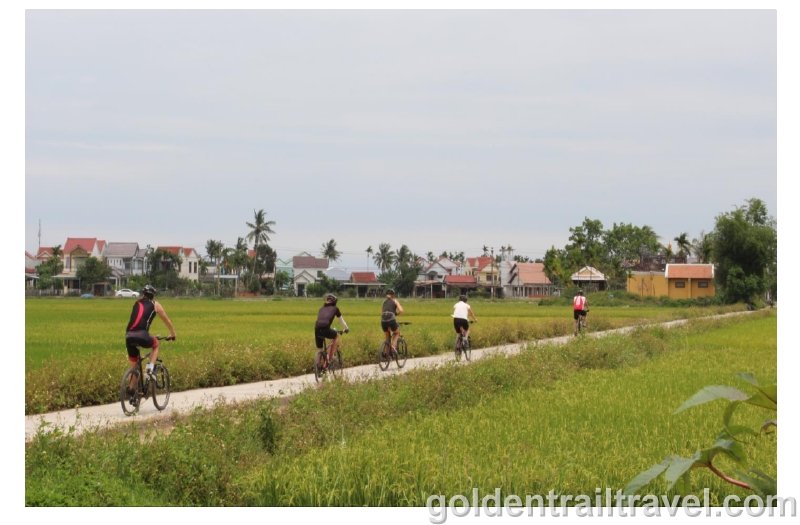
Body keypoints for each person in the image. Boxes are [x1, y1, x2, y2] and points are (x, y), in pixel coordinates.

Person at [125, 285, 176, 391]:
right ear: (153, 295)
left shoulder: (136, 303)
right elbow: (167, 321)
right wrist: (173, 334)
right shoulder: (155, 304)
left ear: (143, 294)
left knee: (134, 367)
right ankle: (150, 369)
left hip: (129, 335)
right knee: (156, 344)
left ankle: (131, 391)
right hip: (142, 335)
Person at [315, 293, 349, 367]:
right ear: (335, 302)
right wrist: (346, 329)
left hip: (317, 328)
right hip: (325, 328)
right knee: (336, 336)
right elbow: (341, 321)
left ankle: (318, 367)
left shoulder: (321, 309)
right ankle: (329, 360)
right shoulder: (335, 308)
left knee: (319, 349)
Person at [380, 289, 405, 355]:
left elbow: (382, 312)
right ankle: (393, 347)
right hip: (391, 320)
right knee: (397, 333)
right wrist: (396, 314)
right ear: (393, 295)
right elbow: (401, 310)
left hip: (383, 321)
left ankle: (385, 353)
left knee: (387, 338)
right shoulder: (395, 301)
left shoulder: (384, 302)